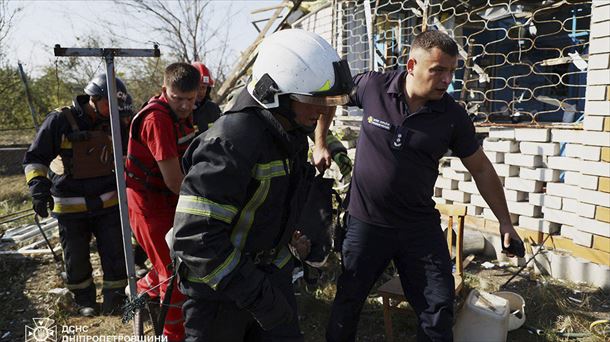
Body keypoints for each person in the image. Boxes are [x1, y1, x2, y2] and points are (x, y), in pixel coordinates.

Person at [326, 30, 524, 342]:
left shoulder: (452, 117)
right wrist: (320, 141)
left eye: (452, 71)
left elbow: (482, 169)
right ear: (411, 65)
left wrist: (504, 222)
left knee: (438, 306)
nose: (447, 80)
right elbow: (329, 96)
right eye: (438, 70)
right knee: (348, 301)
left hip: (417, 227)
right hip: (365, 222)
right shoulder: (373, 86)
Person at [171, 29, 354, 342]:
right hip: (219, 297)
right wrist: (259, 296)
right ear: (274, 93)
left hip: (267, 281)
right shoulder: (230, 142)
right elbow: (195, 238)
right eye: (313, 100)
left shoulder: (288, 133)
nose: (321, 111)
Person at [23, 74, 132, 317]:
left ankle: (115, 299)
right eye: (108, 106)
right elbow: (34, 159)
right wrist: (38, 189)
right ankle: (85, 301)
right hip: (71, 206)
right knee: (77, 258)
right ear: (94, 98)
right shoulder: (60, 120)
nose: (113, 112)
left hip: (108, 203)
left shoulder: (114, 122)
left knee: (115, 254)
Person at [125, 62, 200, 342]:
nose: (183, 105)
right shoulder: (157, 120)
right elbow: (174, 181)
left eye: (190, 99)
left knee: (173, 265)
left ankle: (145, 287)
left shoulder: (186, 115)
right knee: (174, 275)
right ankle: (172, 335)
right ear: (164, 90)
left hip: (168, 201)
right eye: (176, 98)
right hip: (148, 205)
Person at [191, 61, 222, 135]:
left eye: (203, 87)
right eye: (197, 88)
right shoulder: (183, 110)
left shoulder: (213, 109)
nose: (200, 91)